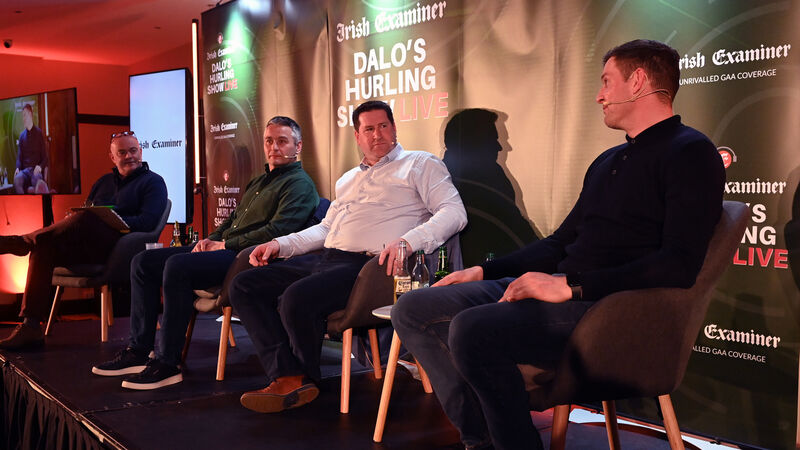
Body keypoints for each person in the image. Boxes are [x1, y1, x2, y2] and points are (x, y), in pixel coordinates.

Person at [392, 39, 726, 450]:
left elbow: (678, 264)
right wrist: (483, 271)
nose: (599, 95)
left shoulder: (691, 152)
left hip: (609, 308)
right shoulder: (608, 161)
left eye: (607, 81)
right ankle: (483, 438)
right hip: (566, 291)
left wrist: (572, 286)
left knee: (472, 329)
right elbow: (559, 243)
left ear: (638, 81)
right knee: (412, 309)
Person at [228, 100, 467, 413]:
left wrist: (408, 242)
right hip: (327, 258)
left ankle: (301, 381)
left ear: (394, 128)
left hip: (371, 268)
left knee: (297, 298)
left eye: (383, 126)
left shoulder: (420, 164)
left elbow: (454, 212)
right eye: (368, 129)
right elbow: (325, 229)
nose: (377, 134)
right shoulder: (348, 179)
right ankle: (288, 375)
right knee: (244, 285)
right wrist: (279, 244)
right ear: (357, 136)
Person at [91, 116, 319, 390]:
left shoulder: (299, 184)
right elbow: (233, 219)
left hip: (247, 257)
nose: (274, 147)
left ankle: (167, 363)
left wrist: (225, 244)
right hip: (227, 247)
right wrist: (211, 238)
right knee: (143, 262)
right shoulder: (259, 181)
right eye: (269, 141)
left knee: (178, 266)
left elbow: (278, 232)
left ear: (298, 146)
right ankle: (139, 351)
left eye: (282, 141)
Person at [0, 131, 167, 350]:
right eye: (122, 152)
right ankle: (30, 326)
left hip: (117, 249)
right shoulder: (103, 182)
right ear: (112, 157)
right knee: (44, 247)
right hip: (86, 243)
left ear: (141, 152)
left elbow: (148, 222)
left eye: (133, 151)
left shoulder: (153, 182)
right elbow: (85, 213)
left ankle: (21, 242)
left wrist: (112, 219)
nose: (129, 156)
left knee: (88, 217)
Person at [14, 104, 49, 194]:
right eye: (23, 116)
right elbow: (19, 158)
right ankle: (23, 201)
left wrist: (40, 167)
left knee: (36, 180)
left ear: (30, 114)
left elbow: (45, 158)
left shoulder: (39, 133)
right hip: (25, 172)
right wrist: (17, 168)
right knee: (17, 180)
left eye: (24, 115)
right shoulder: (22, 136)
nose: (23, 119)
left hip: (35, 171)